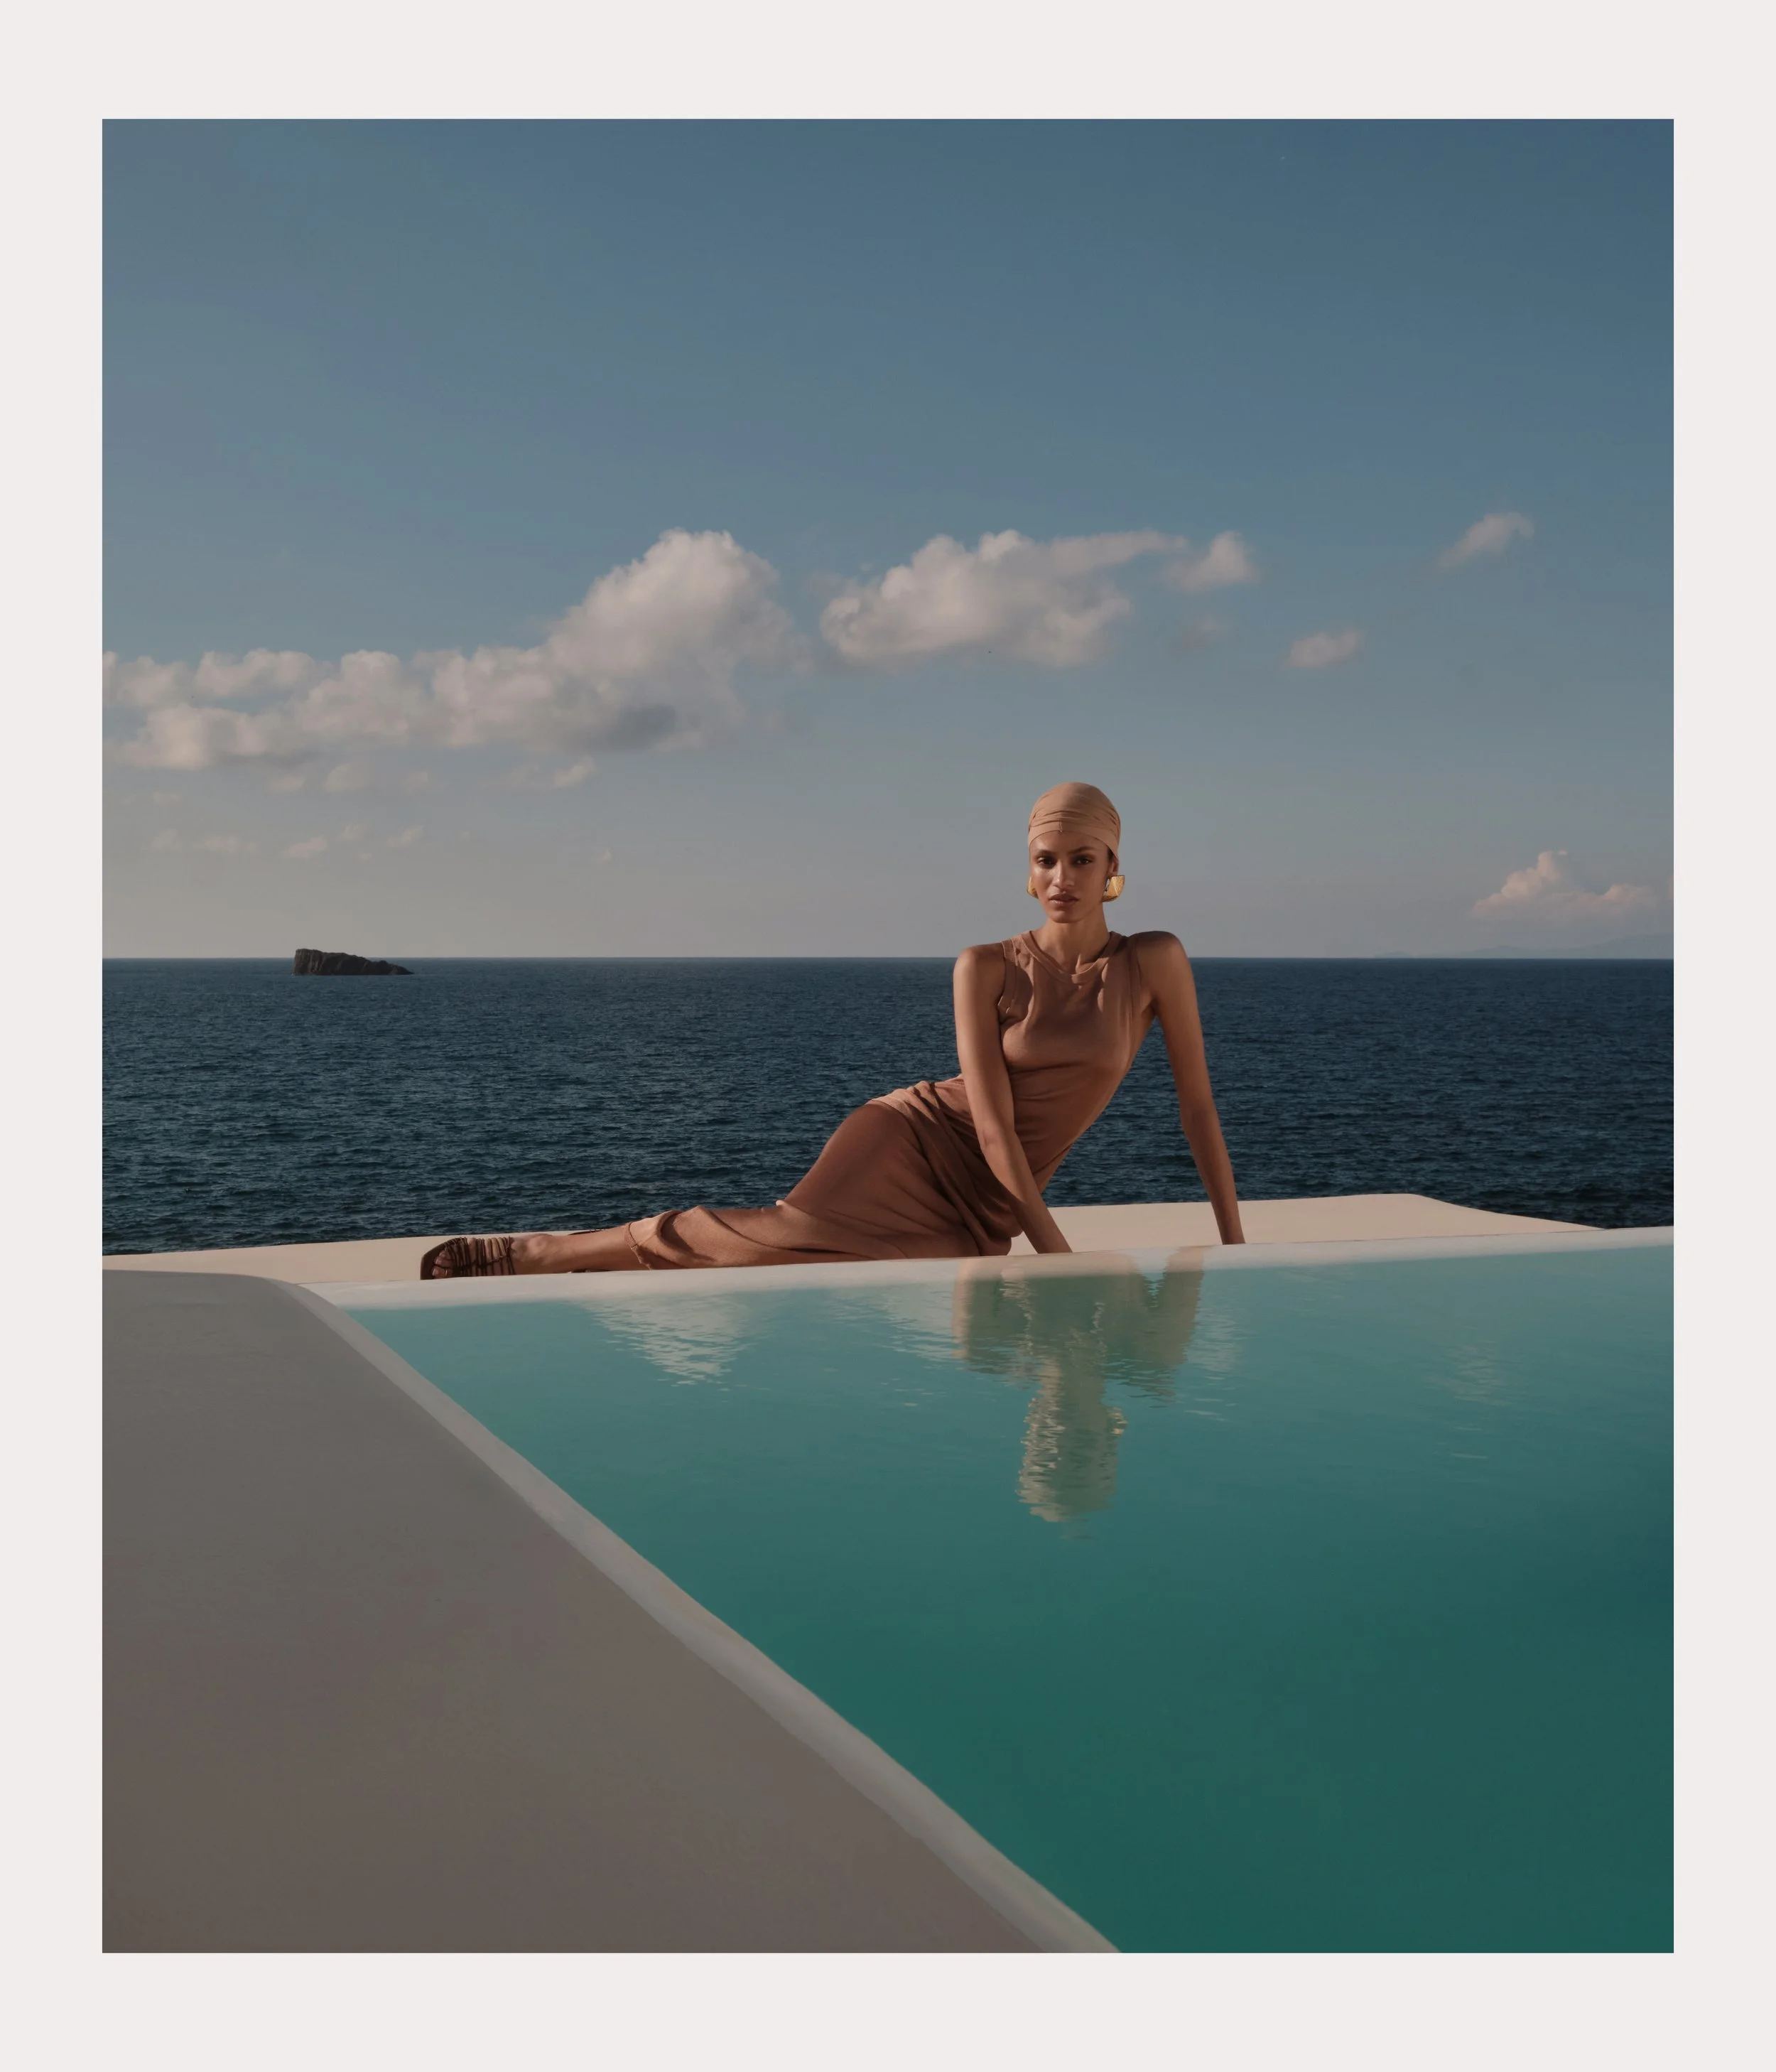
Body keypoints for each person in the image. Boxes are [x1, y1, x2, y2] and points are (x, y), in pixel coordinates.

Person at [419, 781, 1246, 1278]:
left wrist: (1235, 1248)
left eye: (1080, 859)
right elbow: (993, 1129)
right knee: (772, 1247)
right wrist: (1055, 1258)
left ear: (1113, 871)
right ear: (1026, 873)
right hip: (915, 1141)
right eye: (1043, 859)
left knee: (914, 1285)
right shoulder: (984, 966)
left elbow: (1199, 1110)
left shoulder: (1155, 960)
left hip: (988, 1203)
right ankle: (544, 1253)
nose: (1060, 877)